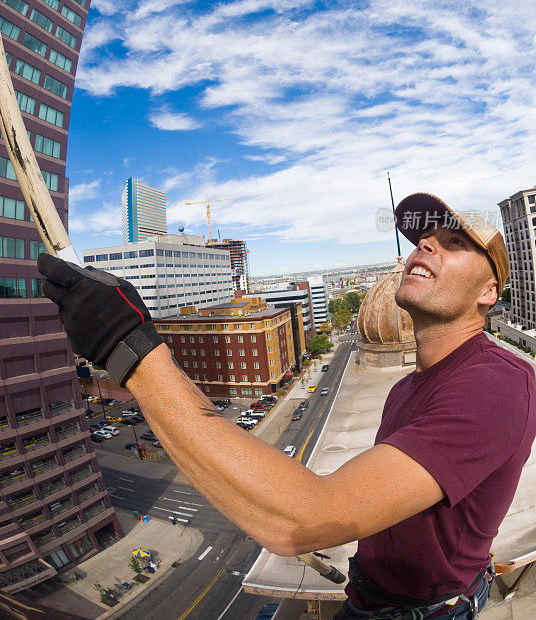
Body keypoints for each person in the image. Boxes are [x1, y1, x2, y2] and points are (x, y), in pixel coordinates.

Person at [38, 192, 536, 620]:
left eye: (454, 242)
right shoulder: (410, 388)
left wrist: (133, 354)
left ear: (489, 292)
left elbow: (303, 520)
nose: (425, 244)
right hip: (372, 598)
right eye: (423, 238)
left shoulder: (498, 383)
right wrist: (144, 363)